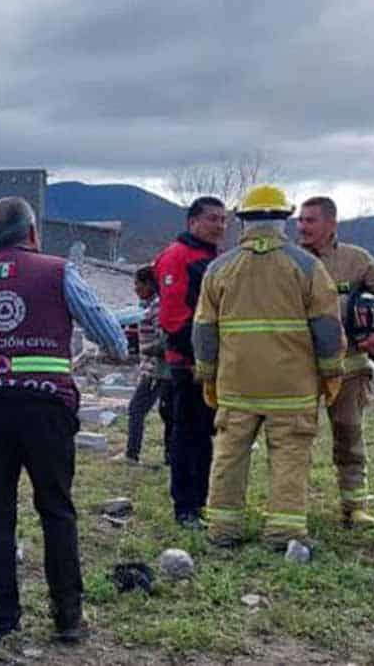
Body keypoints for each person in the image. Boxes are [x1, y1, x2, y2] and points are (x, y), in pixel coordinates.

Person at [0, 197, 127, 643]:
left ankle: (4, 618)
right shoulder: (59, 271)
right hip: (47, 409)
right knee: (57, 511)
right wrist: (115, 349)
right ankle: (68, 619)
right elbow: (110, 334)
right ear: (32, 232)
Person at [194, 185, 344, 550]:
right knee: (290, 457)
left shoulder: (219, 268)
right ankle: (284, 533)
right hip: (292, 388)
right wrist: (331, 374)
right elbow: (326, 329)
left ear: (243, 221)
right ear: (284, 219)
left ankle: (223, 529)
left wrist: (208, 375)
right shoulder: (309, 267)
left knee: (229, 456)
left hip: (237, 384)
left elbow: (203, 332)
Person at [297, 196, 374, 527]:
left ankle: (354, 506)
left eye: (310, 220)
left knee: (349, 433)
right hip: (298, 367)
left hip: (349, 368)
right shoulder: (289, 260)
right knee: (293, 438)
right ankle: (291, 505)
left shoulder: (356, 260)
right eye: (300, 220)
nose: (302, 227)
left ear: (331, 224)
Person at [152, 196, 226, 527]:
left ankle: (201, 499)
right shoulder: (177, 257)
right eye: (213, 219)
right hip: (188, 364)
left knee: (205, 435)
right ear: (192, 222)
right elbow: (173, 317)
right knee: (188, 434)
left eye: (223, 220)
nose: (220, 226)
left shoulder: (216, 258)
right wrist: (197, 358)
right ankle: (185, 506)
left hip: (213, 363)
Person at [114, 264, 173, 465]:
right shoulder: (152, 306)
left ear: (150, 284)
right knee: (168, 414)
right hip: (155, 369)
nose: (135, 289)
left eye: (138, 284)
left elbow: (165, 340)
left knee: (136, 409)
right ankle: (169, 457)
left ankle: (131, 455)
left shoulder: (158, 308)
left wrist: (149, 350)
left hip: (156, 370)